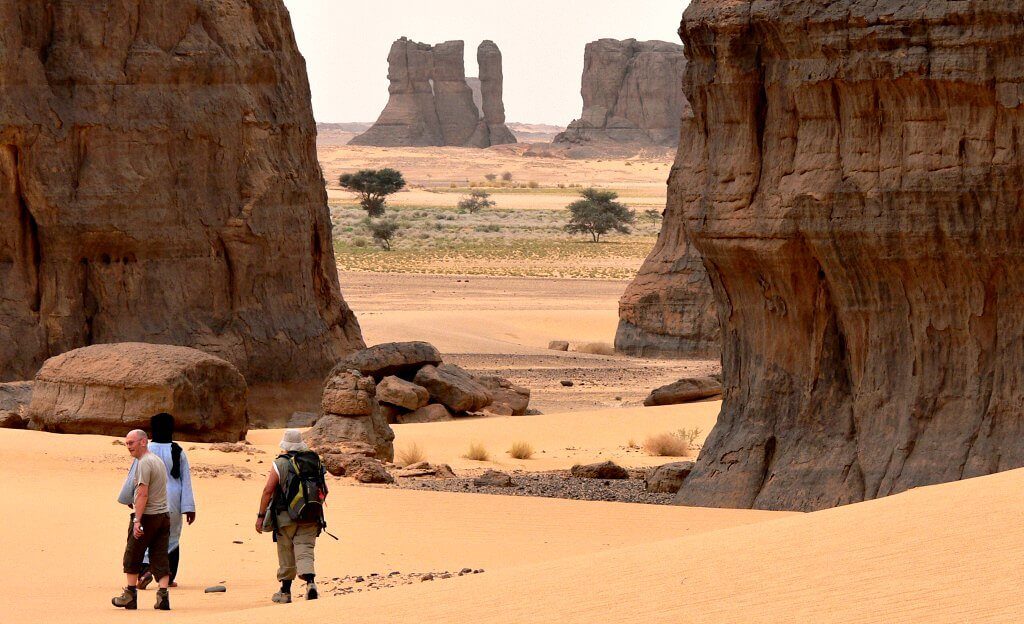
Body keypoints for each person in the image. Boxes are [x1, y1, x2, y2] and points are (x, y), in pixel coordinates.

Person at [118, 413, 196, 589]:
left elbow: (134, 476)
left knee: (144, 537)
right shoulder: (177, 450)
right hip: (174, 500)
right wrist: (189, 507)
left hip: (150, 498)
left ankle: (145, 571)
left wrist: (131, 497)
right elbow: (186, 480)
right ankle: (168, 577)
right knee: (172, 538)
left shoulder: (146, 450)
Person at [255, 429, 327, 604]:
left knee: (286, 551)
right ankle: (310, 583)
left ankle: (285, 592)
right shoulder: (313, 462)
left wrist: (260, 516)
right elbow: (325, 491)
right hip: (310, 516)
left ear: (285, 445)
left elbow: (268, 491)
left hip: (284, 517)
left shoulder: (280, 463)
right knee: (305, 550)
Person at [112, 429, 172, 611]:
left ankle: (129, 595)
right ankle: (163, 597)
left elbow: (143, 493)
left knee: (133, 554)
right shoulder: (157, 461)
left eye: (131, 443)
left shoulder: (144, 463)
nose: (128, 447)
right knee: (160, 555)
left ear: (143, 442)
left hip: (148, 516)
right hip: (163, 516)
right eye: (127, 444)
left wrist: (137, 520)